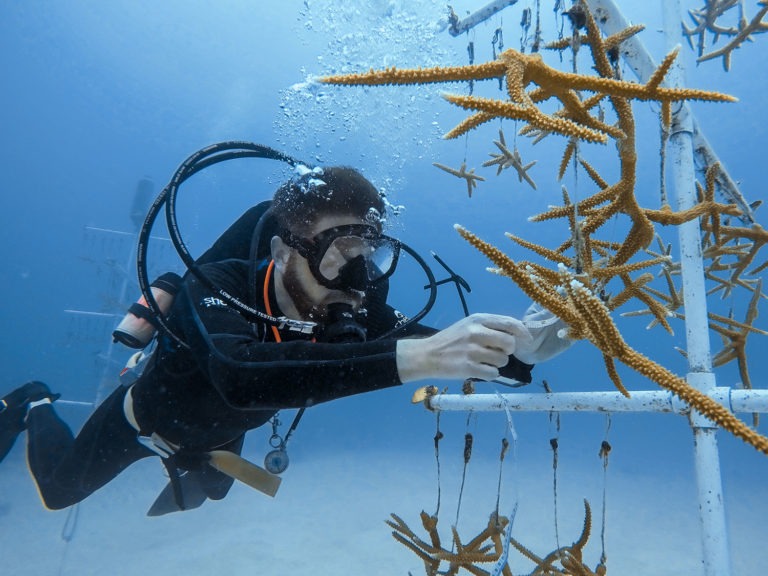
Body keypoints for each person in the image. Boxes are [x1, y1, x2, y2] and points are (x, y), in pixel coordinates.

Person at [0, 166, 568, 515]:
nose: (357, 281)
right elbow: (242, 376)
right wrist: (420, 357)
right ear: (281, 251)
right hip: (146, 419)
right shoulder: (215, 285)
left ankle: (197, 468)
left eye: (370, 258)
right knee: (58, 492)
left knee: (216, 493)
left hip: (225, 435)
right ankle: (34, 401)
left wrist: (519, 351)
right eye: (339, 255)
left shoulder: (351, 302)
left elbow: (442, 341)